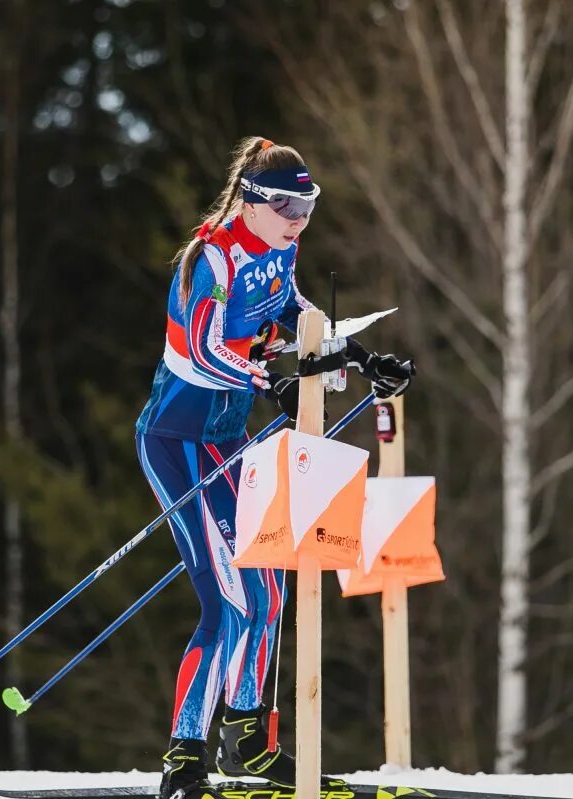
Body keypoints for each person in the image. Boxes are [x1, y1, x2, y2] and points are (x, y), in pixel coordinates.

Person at [134, 136, 413, 799]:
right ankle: (185, 759)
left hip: (226, 441)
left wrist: (360, 356)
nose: (298, 219)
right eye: (287, 205)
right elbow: (203, 349)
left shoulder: (279, 246)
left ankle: (250, 742)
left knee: (268, 589)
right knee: (228, 601)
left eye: (308, 207)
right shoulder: (212, 258)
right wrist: (272, 384)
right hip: (178, 442)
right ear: (252, 202)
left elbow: (292, 310)